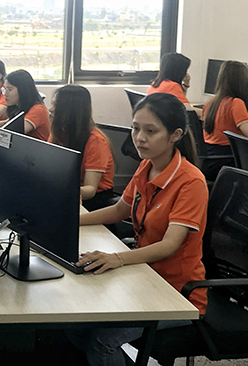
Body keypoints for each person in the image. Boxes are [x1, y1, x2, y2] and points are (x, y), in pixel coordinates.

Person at [66, 93, 208, 366]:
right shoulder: (147, 166)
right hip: (143, 276)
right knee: (73, 321)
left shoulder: (191, 182)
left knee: (101, 341)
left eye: (150, 131)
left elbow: (170, 245)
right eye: (135, 128)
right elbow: (120, 210)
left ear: (175, 134)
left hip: (176, 293)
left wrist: (118, 258)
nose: (139, 137)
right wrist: (70, 220)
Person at [48, 85, 115, 211]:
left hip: (94, 202)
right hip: (66, 192)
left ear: (70, 110)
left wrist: (59, 190)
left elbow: (90, 189)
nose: (50, 109)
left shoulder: (95, 141)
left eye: (56, 105)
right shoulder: (58, 132)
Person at [202, 60, 248, 181]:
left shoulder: (210, 102)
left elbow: (224, 127)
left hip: (211, 162)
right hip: (229, 162)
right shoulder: (236, 103)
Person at [3, 69, 50, 142]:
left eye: (9, 90)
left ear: (23, 90)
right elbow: (7, 123)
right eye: (4, 89)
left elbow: (14, 132)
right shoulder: (17, 107)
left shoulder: (38, 109)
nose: (5, 94)